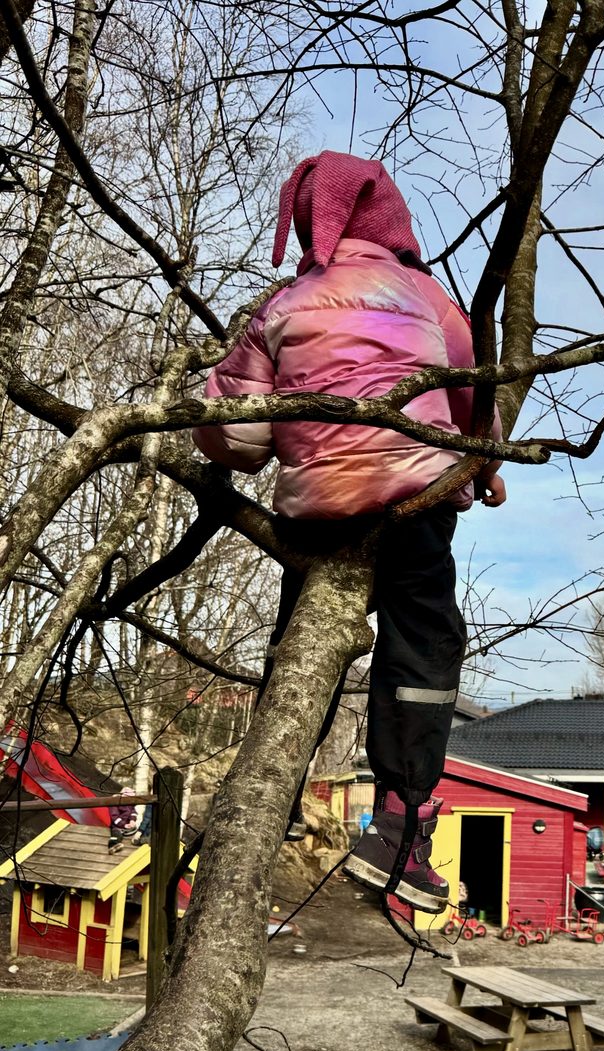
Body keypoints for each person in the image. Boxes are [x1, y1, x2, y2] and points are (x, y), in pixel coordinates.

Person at [194, 151, 506, 915]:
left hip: (319, 510)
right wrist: (483, 460)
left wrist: (228, 439)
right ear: (391, 222)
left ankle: (271, 796)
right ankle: (401, 822)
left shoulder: (280, 306)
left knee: (295, 648)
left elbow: (234, 435)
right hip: (412, 501)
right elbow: (469, 389)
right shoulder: (429, 297)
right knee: (424, 640)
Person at [108, 787, 138, 853]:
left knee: (136, 833)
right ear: (123, 796)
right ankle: (113, 846)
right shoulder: (115, 802)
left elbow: (133, 812)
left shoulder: (130, 803)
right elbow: (114, 816)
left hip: (128, 826)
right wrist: (123, 824)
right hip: (117, 825)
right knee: (116, 834)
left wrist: (132, 820)